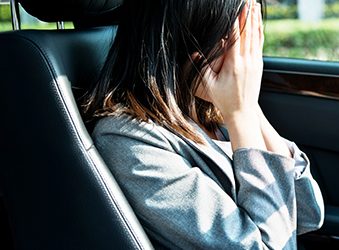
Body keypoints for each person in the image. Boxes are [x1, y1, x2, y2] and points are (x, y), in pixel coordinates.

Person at [84, 0, 324, 249]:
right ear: (200, 38)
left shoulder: (211, 110)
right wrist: (240, 113)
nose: (247, 50)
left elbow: (307, 212)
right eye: (241, 30)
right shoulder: (130, 143)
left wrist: (249, 106)